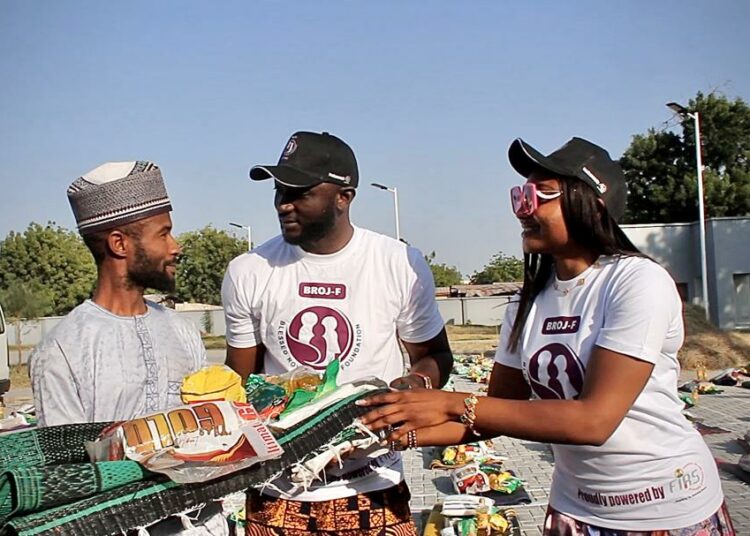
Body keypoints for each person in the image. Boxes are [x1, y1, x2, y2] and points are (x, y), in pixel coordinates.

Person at [360, 138, 734, 535]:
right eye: (520, 196)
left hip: (662, 507)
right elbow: (495, 413)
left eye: (541, 195)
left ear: (593, 203)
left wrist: (452, 402)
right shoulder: (527, 304)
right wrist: (396, 432)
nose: (525, 208)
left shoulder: (636, 282)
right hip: (576, 507)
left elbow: (594, 420)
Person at [222, 131, 453, 535]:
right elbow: (239, 383)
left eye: (300, 192)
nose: (283, 204)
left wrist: (414, 383)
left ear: (344, 197)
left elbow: (436, 356)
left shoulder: (397, 263)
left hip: (374, 487)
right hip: (279, 494)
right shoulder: (250, 270)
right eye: (279, 191)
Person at [30, 161, 225, 535]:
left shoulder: (182, 332)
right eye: (163, 234)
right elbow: (72, 477)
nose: (175, 246)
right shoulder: (64, 350)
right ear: (119, 243)